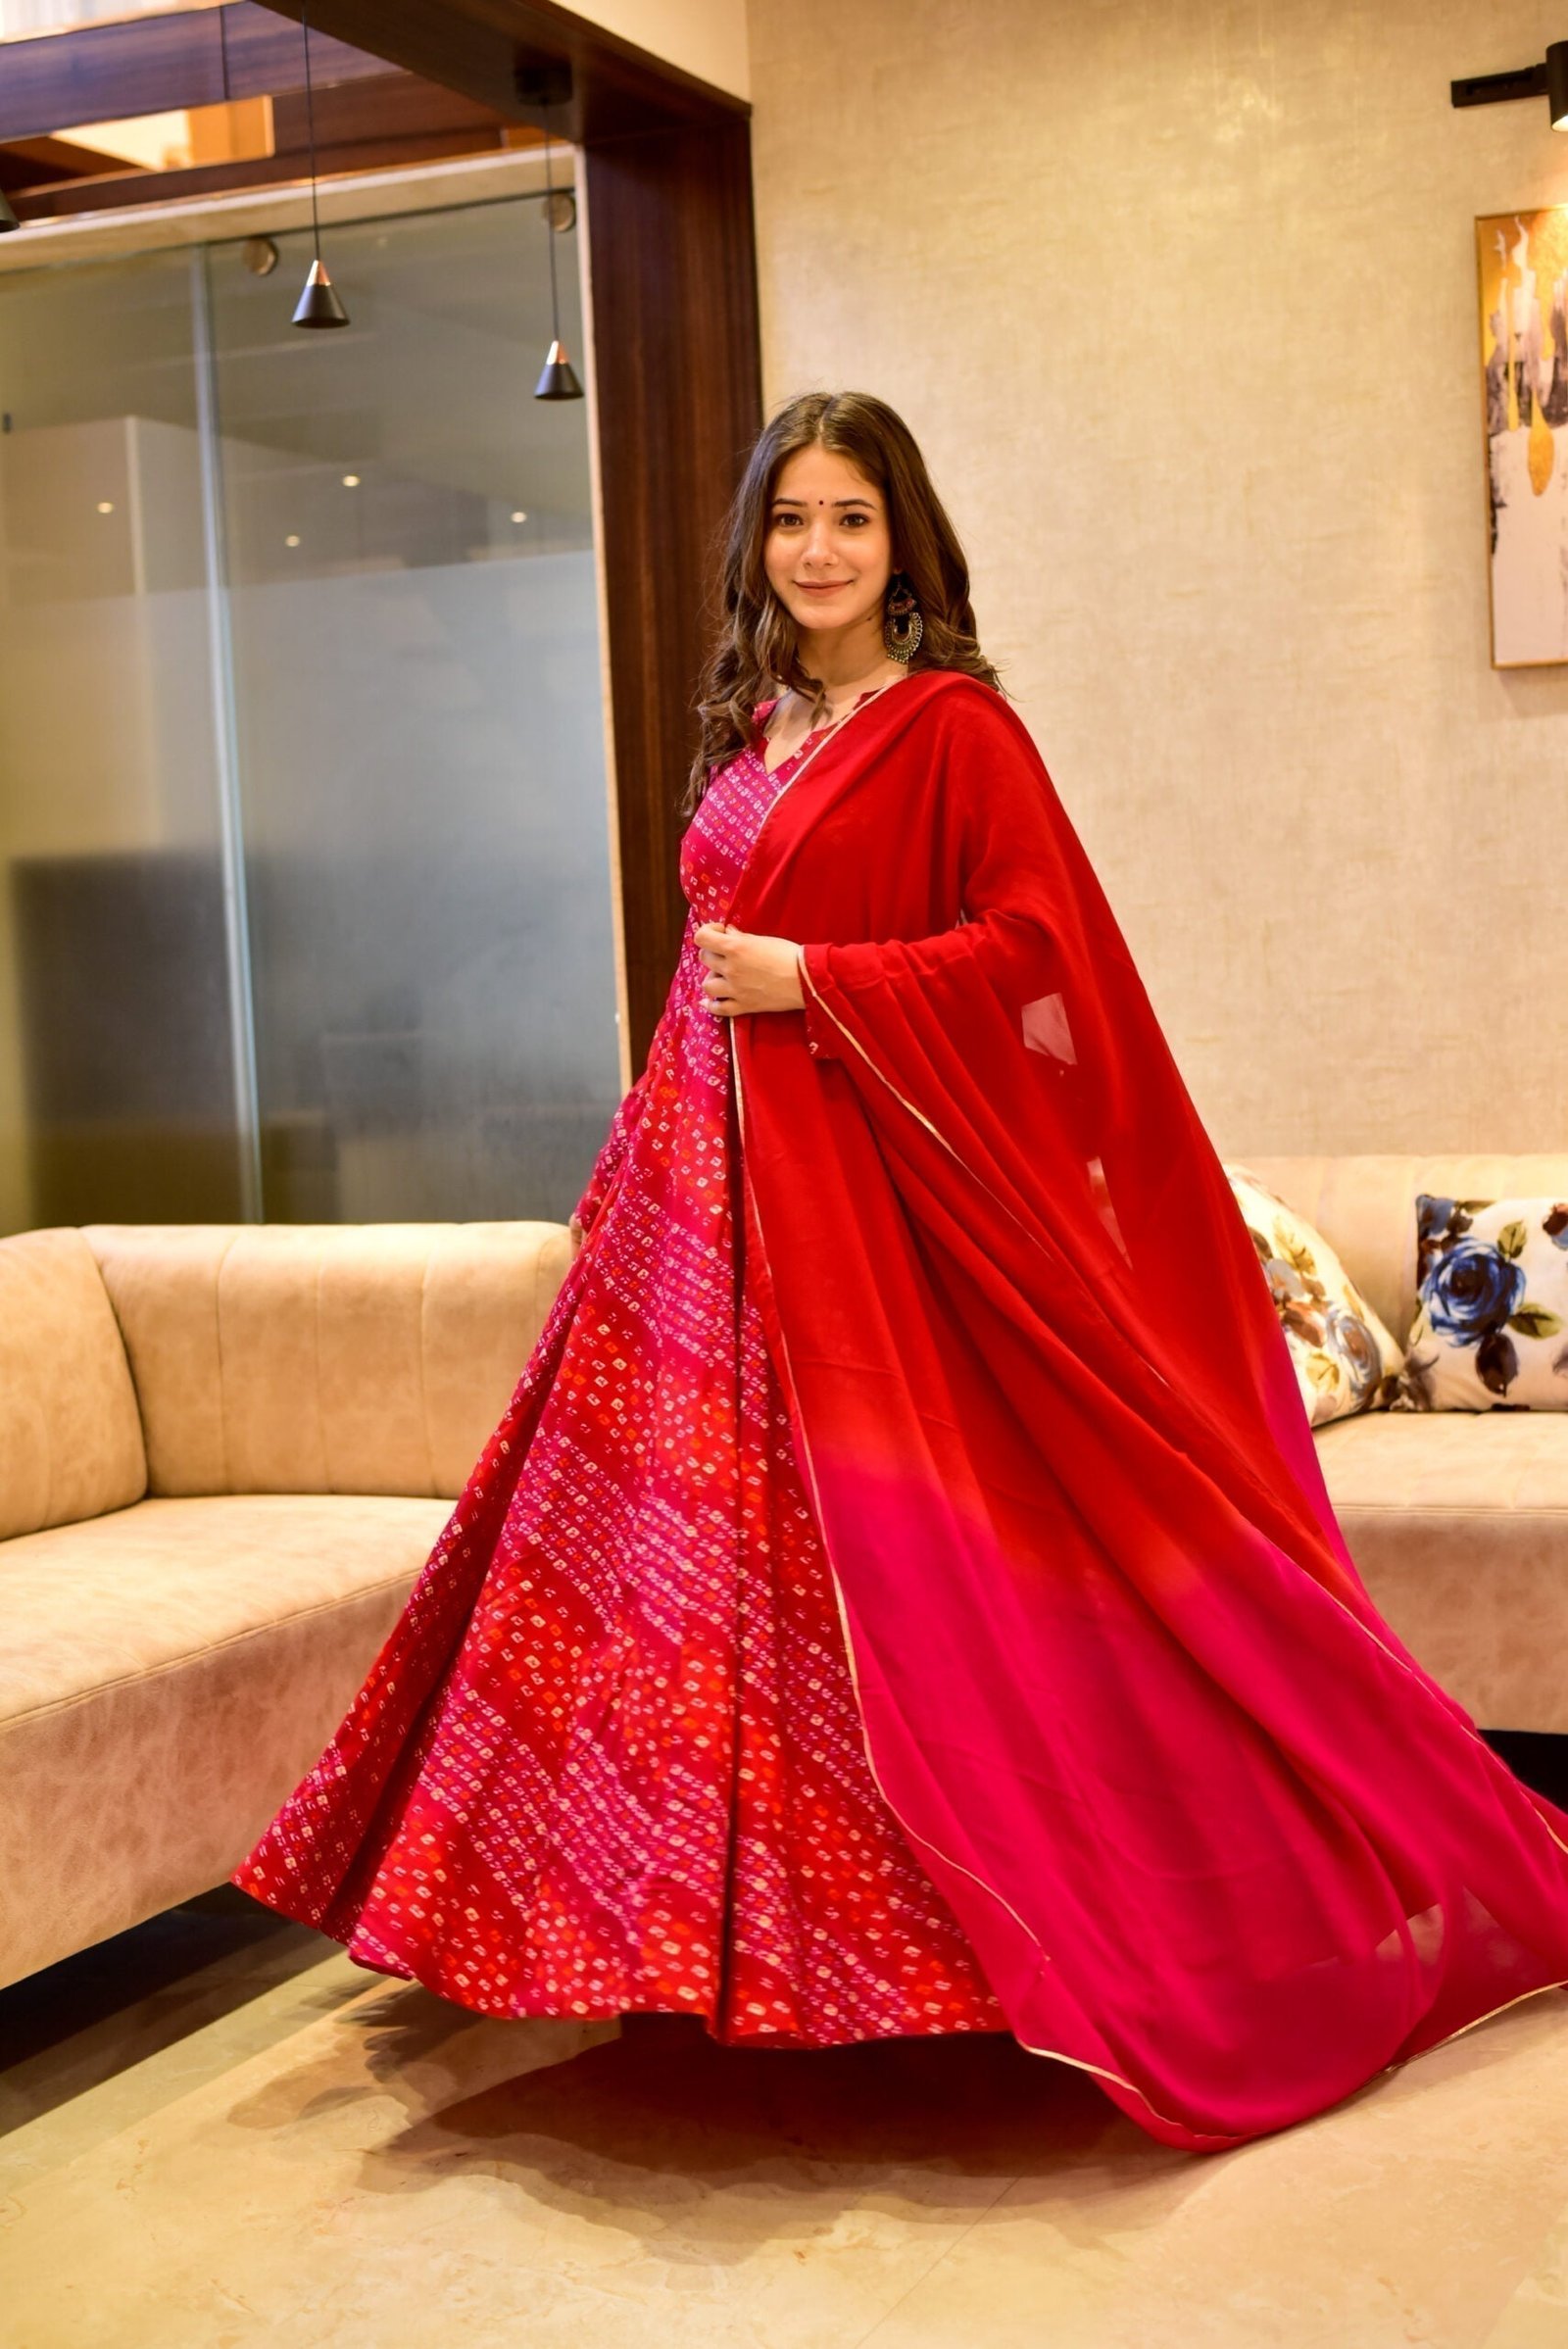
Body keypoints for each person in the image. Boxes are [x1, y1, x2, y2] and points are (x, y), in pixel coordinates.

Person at [232, 390, 1568, 2156]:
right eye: (792, 517)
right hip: (694, 1217)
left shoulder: (955, 731)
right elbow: (704, 975)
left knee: (905, 1580)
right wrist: (647, 1154)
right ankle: (676, 1950)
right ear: (757, 543)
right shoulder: (754, 724)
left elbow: (1037, 953)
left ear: (904, 541)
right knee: (674, 1587)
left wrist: (823, 983)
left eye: (851, 517)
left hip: (866, 1216)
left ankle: (945, 1961)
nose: (819, 549)